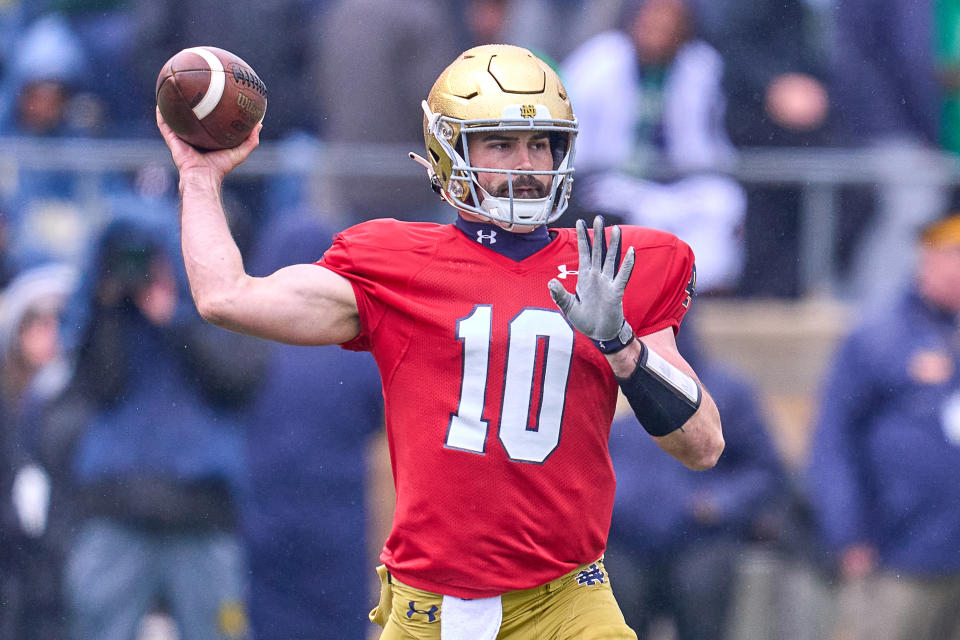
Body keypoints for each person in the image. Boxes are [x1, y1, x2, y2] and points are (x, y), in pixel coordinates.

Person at [157, 44, 724, 639]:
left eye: (541, 144)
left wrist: (623, 347)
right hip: (424, 612)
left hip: (565, 608)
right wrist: (198, 178)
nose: (527, 165)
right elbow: (225, 297)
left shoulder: (611, 266)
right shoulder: (393, 263)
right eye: (501, 144)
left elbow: (703, 445)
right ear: (450, 151)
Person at [50, 214, 267, 640]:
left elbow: (238, 380)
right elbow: (98, 387)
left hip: (200, 512)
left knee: (221, 631)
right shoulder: (103, 313)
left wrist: (177, 316)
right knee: (94, 627)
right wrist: (108, 303)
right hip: (119, 507)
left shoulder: (223, 305)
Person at [806, 212, 960, 640]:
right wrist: (848, 531)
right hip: (896, 554)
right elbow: (832, 441)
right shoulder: (877, 338)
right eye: (952, 255)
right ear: (924, 258)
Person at [240, 210, 385, 640]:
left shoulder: (248, 347)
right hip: (339, 525)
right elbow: (387, 453)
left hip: (263, 519)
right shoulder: (362, 352)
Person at [605, 311, 788, 639]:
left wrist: (718, 503)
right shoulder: (603, 389)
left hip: (700, 539)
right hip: (620, 541)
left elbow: (765, 471)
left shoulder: (724, 391)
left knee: (701, 593)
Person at [561, 0, 746, 294]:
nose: (658, 29)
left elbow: (711, 141)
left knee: (723, 202)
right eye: (652, 20)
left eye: (669, 21)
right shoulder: (600, 59)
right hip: (614, 179)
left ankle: (689, 290)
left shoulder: (701, 66)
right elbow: (574, 129)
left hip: (681, 184)